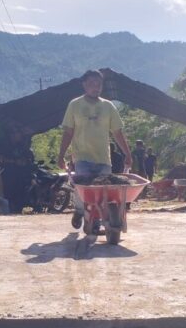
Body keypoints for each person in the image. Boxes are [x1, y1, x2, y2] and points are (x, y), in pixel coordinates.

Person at [57, 69, 133, 228]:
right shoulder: (75, 105)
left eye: (98, 84)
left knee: (103, 193)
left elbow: (117, 132)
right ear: (84, 85)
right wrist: (61, 155)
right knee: (83, 190)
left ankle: (96, 221)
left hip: (103, 158)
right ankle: (79, 211)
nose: (95, 87)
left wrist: (127, 153)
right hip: (82, 156)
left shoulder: (108, 106)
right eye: (91, 83)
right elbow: (68, 132)